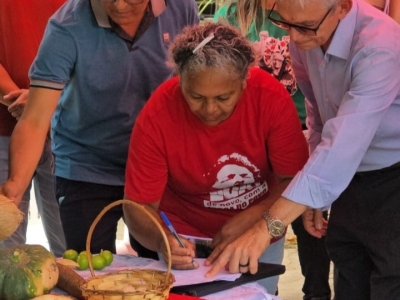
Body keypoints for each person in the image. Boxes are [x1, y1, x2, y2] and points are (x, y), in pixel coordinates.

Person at [205, 0, 400, 299]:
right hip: (350, 179)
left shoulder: (380, 46)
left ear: (343, 8)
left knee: (390, 279)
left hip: (392, 176)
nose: (294, 39)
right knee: (349, 272)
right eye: (285, 23)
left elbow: (342, 145)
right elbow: (319, 117)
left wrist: (266, 227)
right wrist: (313, 198)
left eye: (305, 27)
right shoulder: (308, 36)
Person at [122, 22, 309, 295]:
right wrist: (163, 241)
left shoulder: (269, 97)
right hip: (186, 238)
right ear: (180, 80)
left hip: (262, 229)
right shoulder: (158, 113)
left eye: (224, 97)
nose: (210, 109)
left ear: (244, 81)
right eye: (195, 96)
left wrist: (255, 219)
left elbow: (295, 180)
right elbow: (137, 207)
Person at [0, 0, 199, 255]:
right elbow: (34, 120)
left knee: (166, 262)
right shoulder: (66, 25)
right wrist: (15, 184)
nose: (119, 5)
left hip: (154, 163)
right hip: (86, 164)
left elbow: (192, 85)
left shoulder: (181, 8)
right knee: (89, 270)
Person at [214, 1, 332, 299]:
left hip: (307, 130)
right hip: (254, 141)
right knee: (263, 221)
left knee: (311, 222)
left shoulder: (308, 9)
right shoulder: (232, 15)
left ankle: (316, 291)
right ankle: (266, 290)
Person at [0, 0, 66, 257]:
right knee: (7, 253)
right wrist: (23, 101)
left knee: (70, 247)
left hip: (65, 127)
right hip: (4, 126)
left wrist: (44, 99)